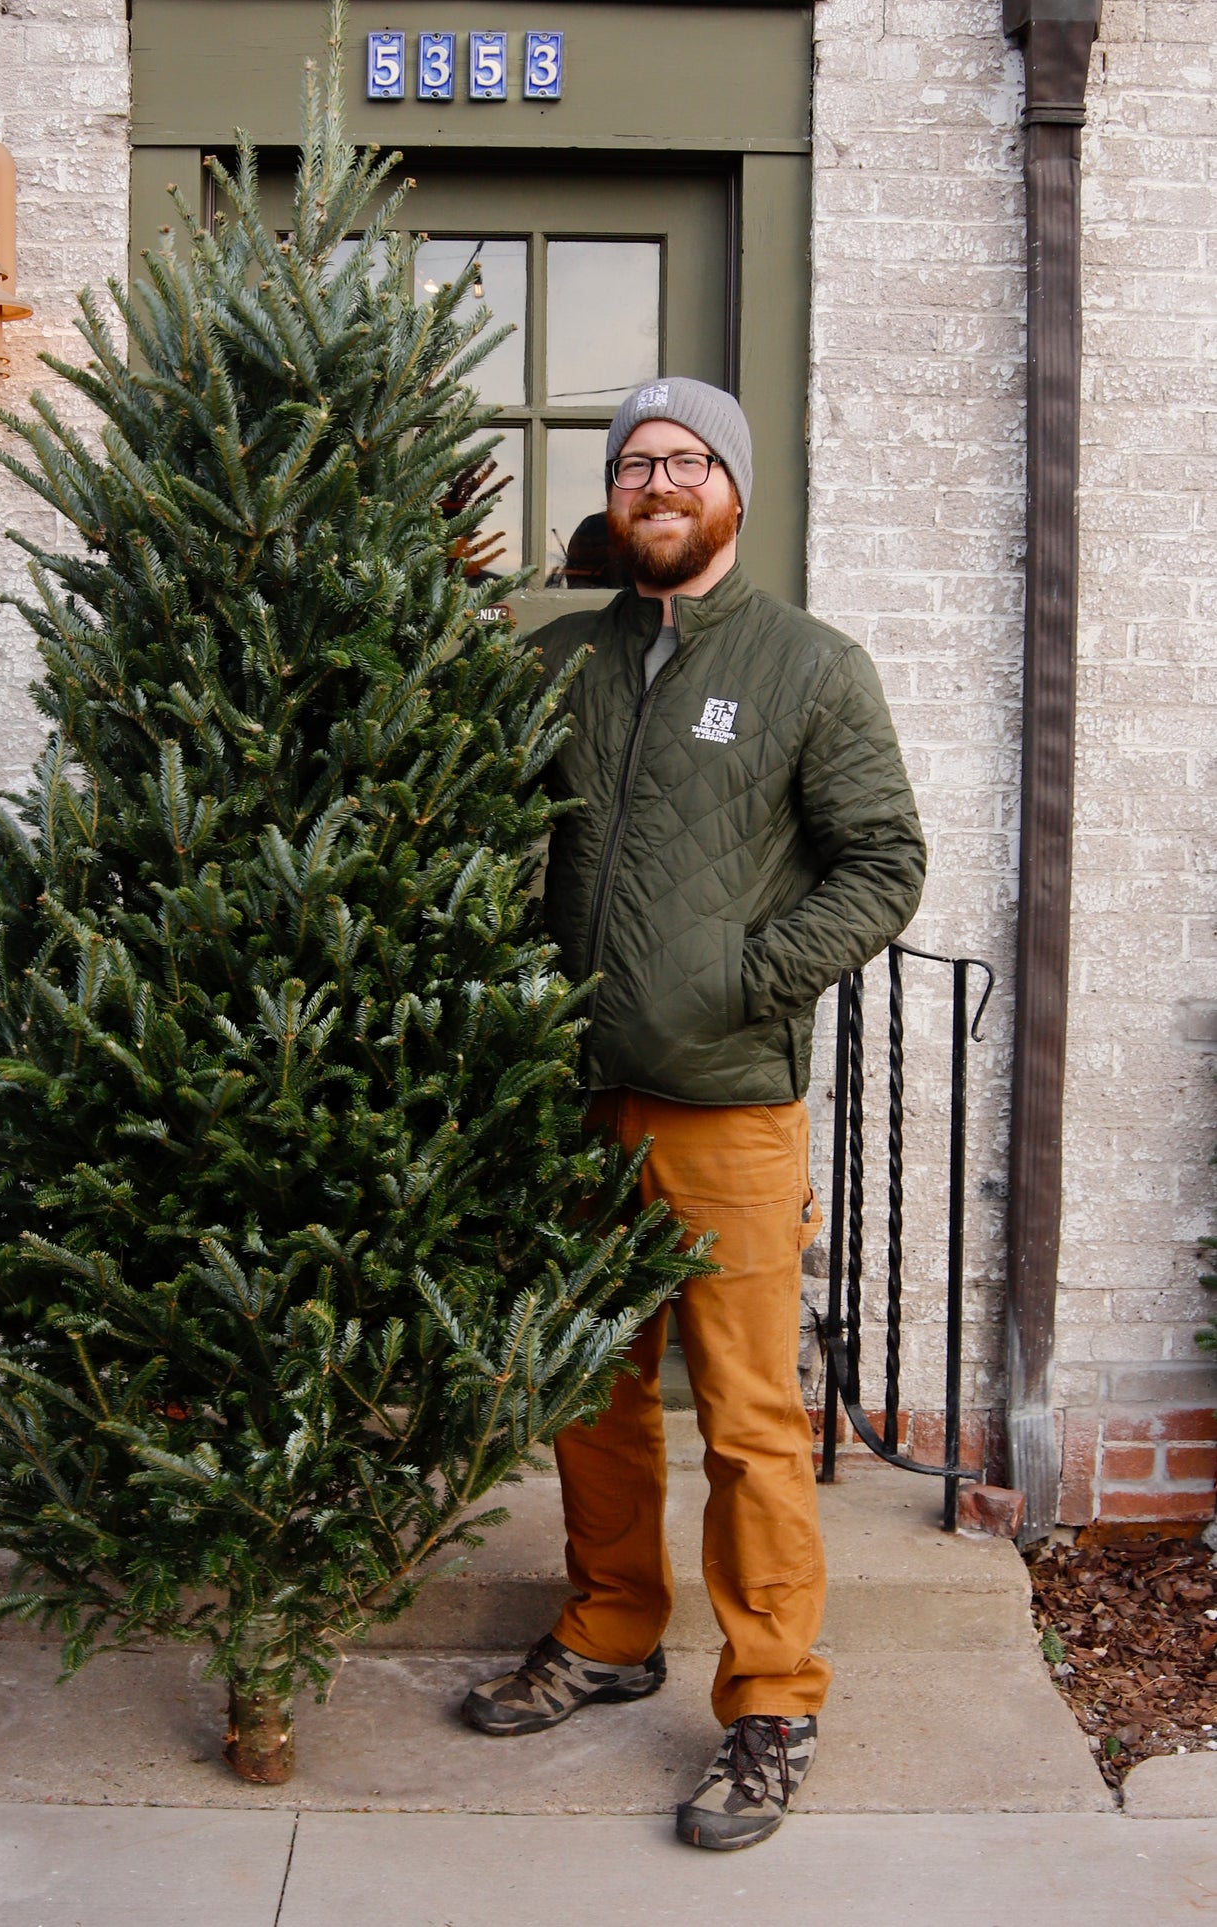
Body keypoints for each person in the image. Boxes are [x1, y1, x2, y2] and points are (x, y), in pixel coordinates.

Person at [461, 377, 927, 1851]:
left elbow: (883, 862)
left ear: (729, 488)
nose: (656, 482)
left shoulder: (809, 666)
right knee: (591, 1397)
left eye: (684, 460)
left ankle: (770, 1700)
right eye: (632, 464)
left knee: (747, 1421)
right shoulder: (559, 667)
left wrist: (746, 983)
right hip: (575, 1101)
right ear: (612, 500)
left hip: (725, 1106)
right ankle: (606, 1632)